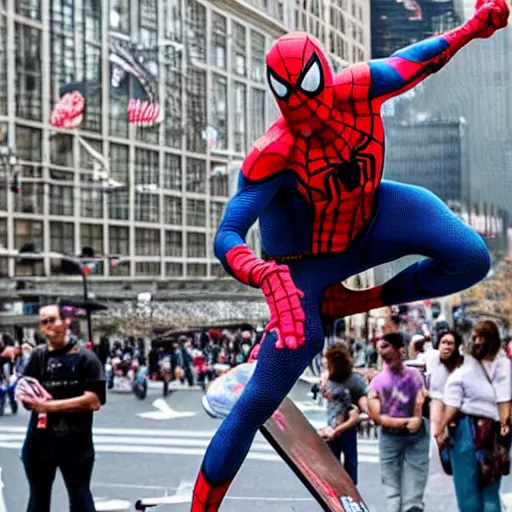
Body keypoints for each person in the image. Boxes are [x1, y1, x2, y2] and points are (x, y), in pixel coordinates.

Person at [189, 1, 509, 507]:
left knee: (470, 256)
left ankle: (352, 301)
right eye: (294, 109)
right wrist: (266, 275)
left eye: (312, 101)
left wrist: (474, 27)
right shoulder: (273, 151)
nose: (309, 120)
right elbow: (227, 233)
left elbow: (420, 56)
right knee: (259, 399)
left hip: (377, 216)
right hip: (305, 261)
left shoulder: (360, 87)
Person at [18, 304, 106, 512]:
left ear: (65, 322)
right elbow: (28, 393)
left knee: (80, 499)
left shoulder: (86, 358)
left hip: (76, 444)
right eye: (43, 322)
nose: (48, 326)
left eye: (52, 320)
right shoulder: (37, 357)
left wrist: (47, 406)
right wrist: (26, 398)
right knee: (37, 501)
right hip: (39, 444)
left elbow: (94, 401)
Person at [435, 320, 512, 512]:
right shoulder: (502, 364)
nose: (477, 341)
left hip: (466, 430)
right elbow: (504, 395)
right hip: (494, 432)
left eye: (480, 337)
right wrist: (504, 422)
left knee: (467, 491)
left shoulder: (467, 369)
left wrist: (441, 427)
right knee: (490, 489)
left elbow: (453, 403)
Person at [368, 332, 429, 512]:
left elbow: (421, 400)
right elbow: (377, 416)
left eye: (386, 346)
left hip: (416, 436)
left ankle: (412, 508)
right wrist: (405, 422)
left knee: (414, 494)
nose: (381, 351)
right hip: (391, 436)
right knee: (392, 491)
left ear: (400, 350)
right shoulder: (377, 383)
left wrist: (417, 418)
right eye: (380, 348)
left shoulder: (415, 376)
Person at [318, 342, 368, 484]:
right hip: (331, 425)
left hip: (348, 426)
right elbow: (324, 390)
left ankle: (350, 489)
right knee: (332, 463)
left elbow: (362, 396)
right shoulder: (328, 378)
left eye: (327, 361)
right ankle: (334, 491)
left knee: (351, 462)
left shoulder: (354, 380)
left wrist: (365, 409)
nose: (324, 363)